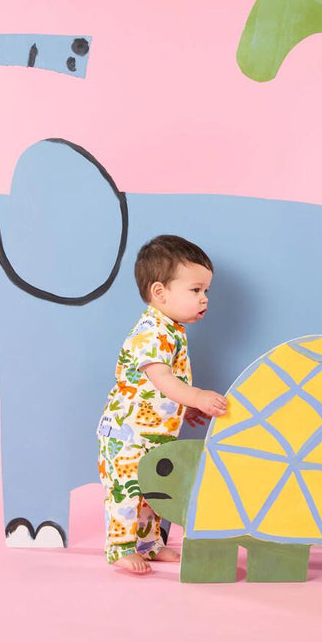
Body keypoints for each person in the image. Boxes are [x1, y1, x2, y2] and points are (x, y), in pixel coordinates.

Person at [96, 234, 227, 574]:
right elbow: (163, 380)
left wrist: (189, 407)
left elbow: (170, 388)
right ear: (160, 292)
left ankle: (151, 544)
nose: (204, 299)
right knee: (128, 493)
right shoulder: (151, 332)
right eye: (195, 290)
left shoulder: (171, 329)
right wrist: (196, 396)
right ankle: (120, 548)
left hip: (154, 434)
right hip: (128, 435)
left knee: (152, 491)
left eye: (206, 291)